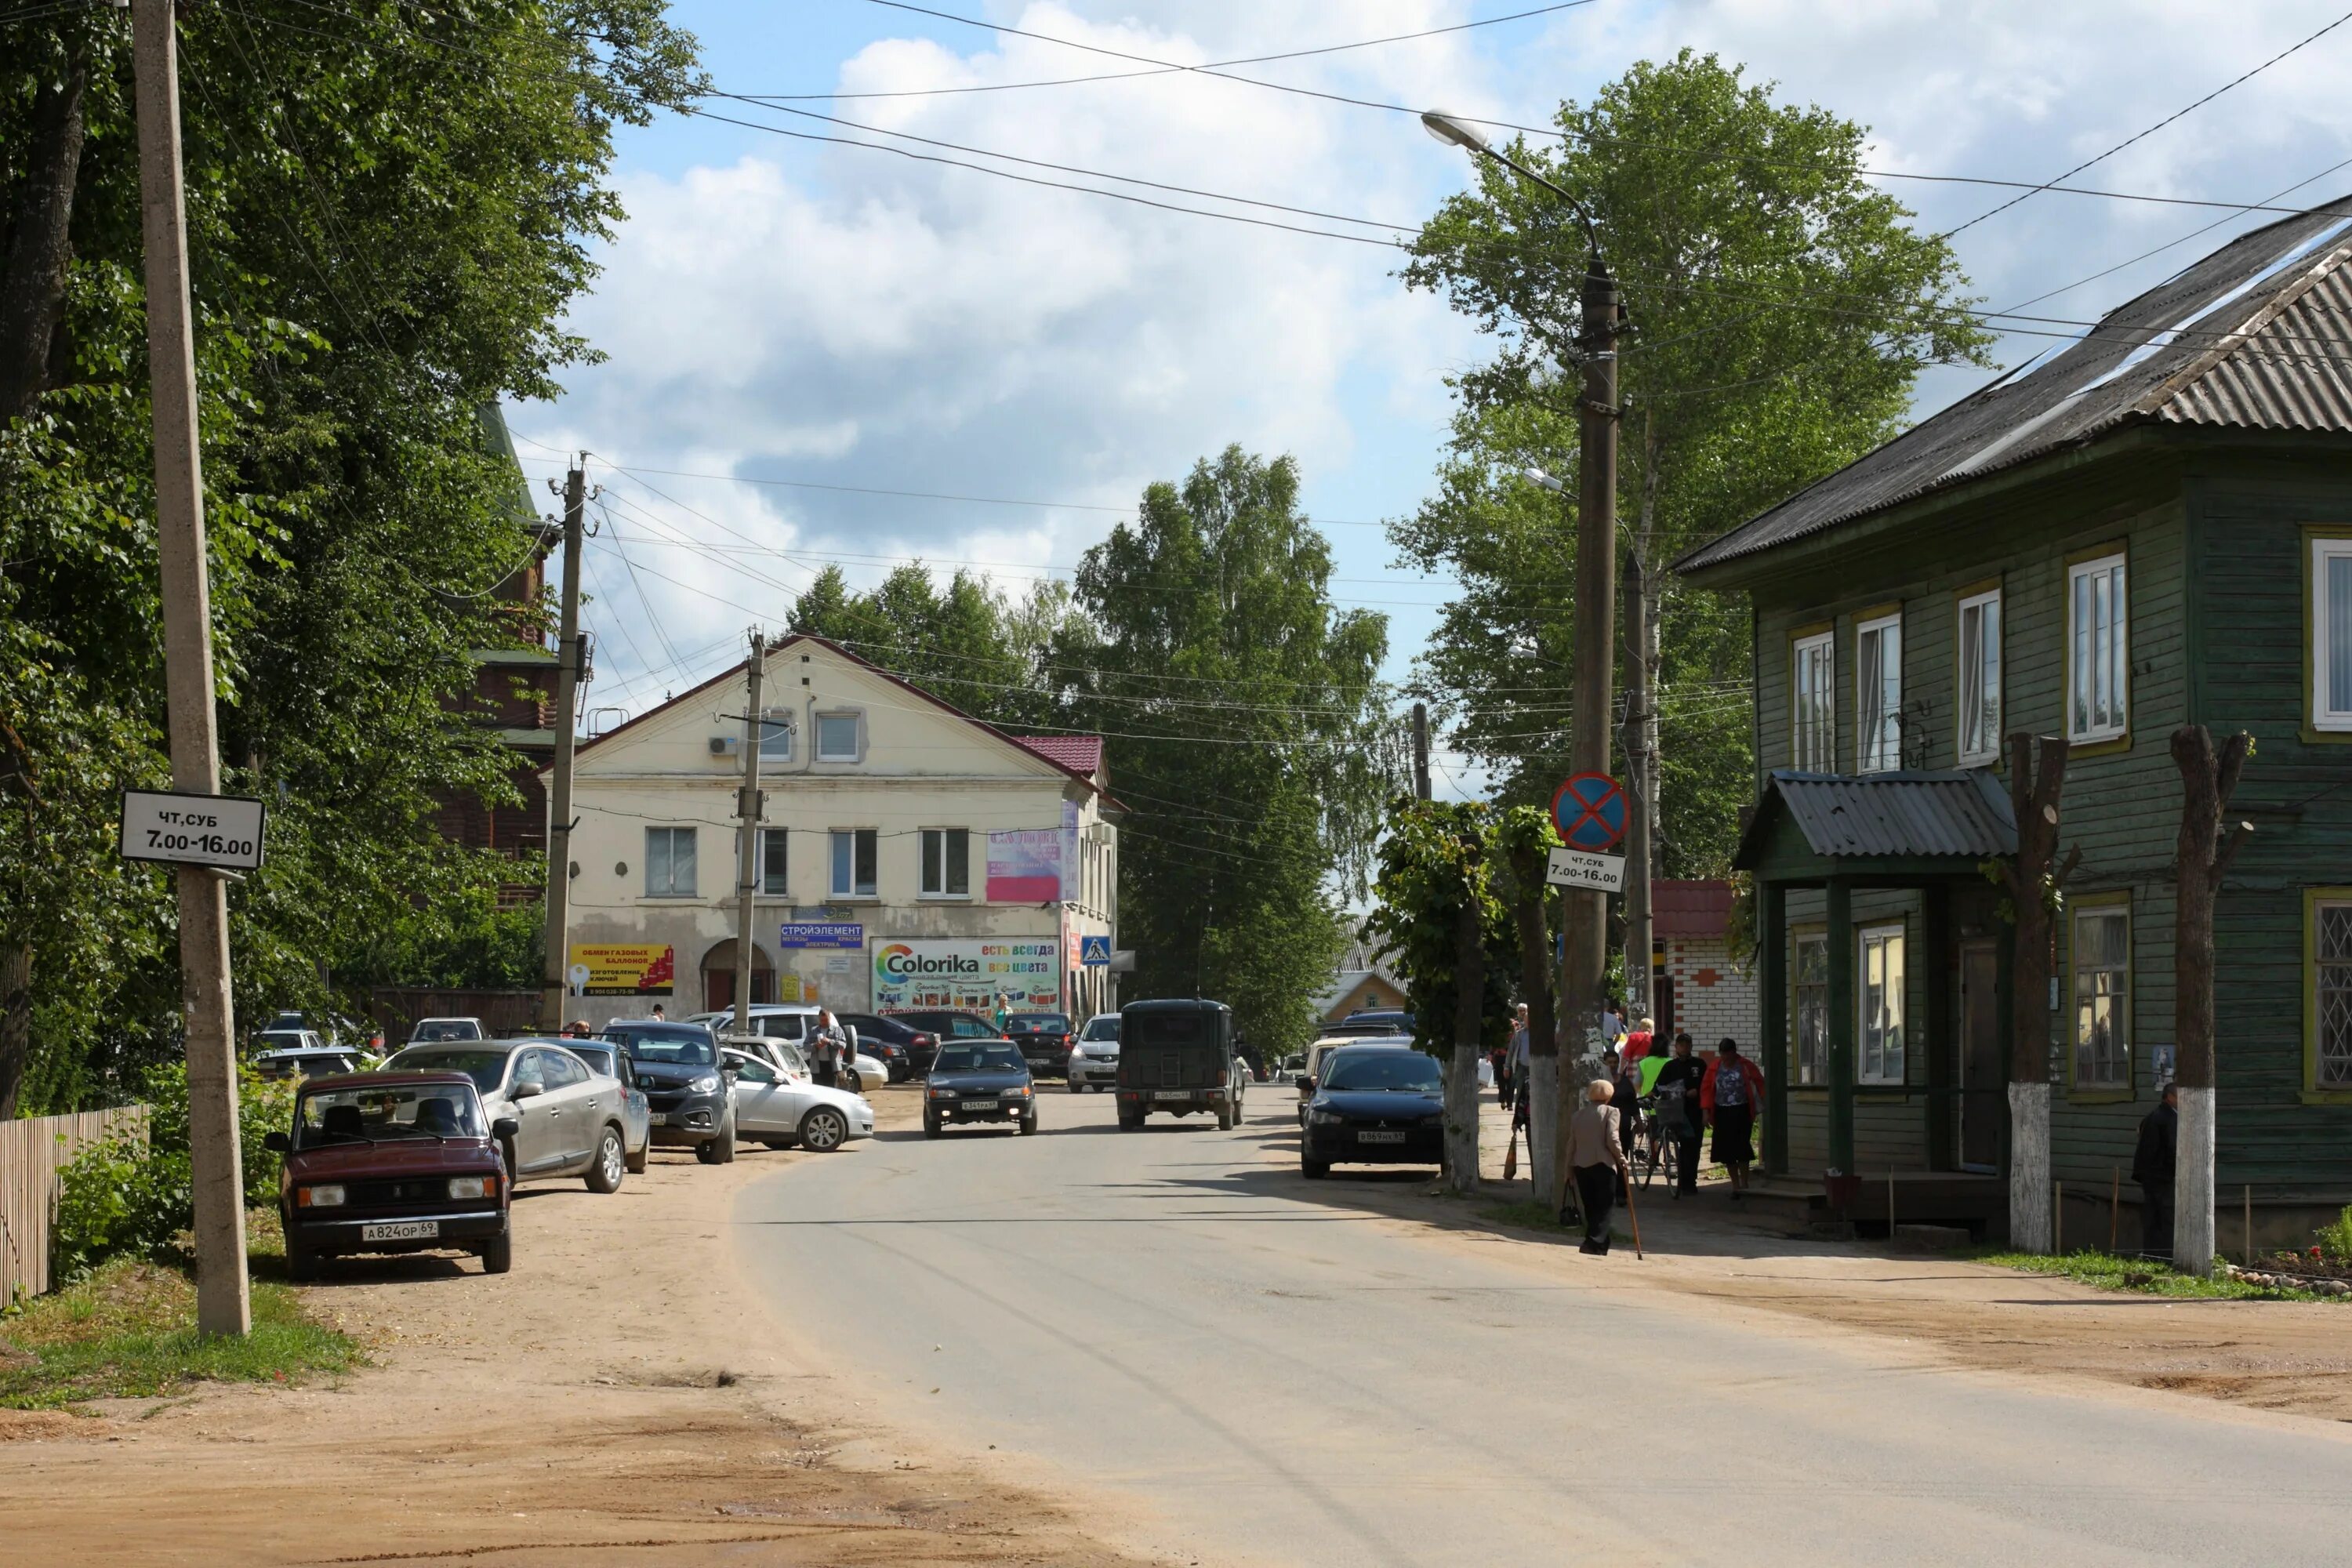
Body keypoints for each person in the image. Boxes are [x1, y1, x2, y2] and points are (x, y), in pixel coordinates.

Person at [1565, 1080, 1628, 1254]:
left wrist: (1568, 1169)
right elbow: (1612, 1139)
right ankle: (1593, 1242)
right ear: (1609, 1095)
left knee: (1591, 1206)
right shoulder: (1611, 1112)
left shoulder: (1578, 1115)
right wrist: (1622, 1159)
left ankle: (1598, 1243)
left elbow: (1571, 1144)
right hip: (1603, 1165)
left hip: (1580, 1166)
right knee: (1605, 1206)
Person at [1700, 1037, 1766, 1198]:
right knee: (1727, 1151)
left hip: (1742, 1111)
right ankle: (1735, 1186)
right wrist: (1705, 1112)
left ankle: (1745, 1183)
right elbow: (1707, 1089)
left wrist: (1765, 1102)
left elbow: (1761, 1084)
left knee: (1742, 1147)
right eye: (1723, 1054)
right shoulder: (1715, 1067)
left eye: (1728, 1054)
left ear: (1734, 1052)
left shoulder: (1745, 1066)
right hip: (1722, 1112)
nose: (1725, 1058)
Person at [1652, 1032, 1707, 1199]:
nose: (1684, 1047)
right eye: (1681, 1045)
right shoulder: (1670, 1066)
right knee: (1682, 1146)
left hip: (1695, 1111)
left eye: (1687, 1044)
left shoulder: (1699, 1064)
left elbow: (1708, 1085)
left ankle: (1691, 1180)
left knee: (1695, 1146)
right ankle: (1683, 1182)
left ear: (1691, 1046)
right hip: (1676, 1112)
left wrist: (1697, 1093)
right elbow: (1659, 1087)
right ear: (1676, 1047)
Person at [2132, 1083, 2180, 1260]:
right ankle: (2167, 1256)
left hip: (2148, 1176)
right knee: (2167, 1218)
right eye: (2179, 1096)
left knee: (2152, 1217)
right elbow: (2172, 1149)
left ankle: (2151, 1255)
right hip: (2163, 1176)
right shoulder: (2169, 1119)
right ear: (2169, 1097)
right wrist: (2177, 1172)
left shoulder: (2152, 1116)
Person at [1502, 1003, 1530, 1112]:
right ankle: (1519, 1111)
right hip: (1521, 1067)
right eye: (1526, 1019)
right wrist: (1507, 1067)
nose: (1527, 1021)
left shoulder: (1538, 1035)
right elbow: (1511, 1051)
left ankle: (1530, 1110)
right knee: (1520, 1090)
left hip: (1534, 1068)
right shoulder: (1519, 1034)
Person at [810, 1008, 846, 1087]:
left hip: (832, 1066)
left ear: (830, 1018)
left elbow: (843, 1045)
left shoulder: (837, 1030)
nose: (824, 1022)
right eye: (822, 1020)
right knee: (818, 1090)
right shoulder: (814, 1030)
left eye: (826, 1020)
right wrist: (816, 1045)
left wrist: (830, 1041)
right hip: (817, 1066)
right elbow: (806, 1046)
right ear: (819, 1019)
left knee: (832, 1090)